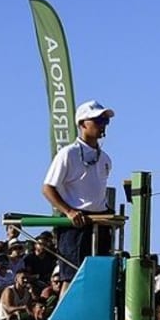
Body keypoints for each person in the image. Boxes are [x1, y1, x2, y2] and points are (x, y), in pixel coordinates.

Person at [41, 100, 116, 288]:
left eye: (105, 121)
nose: (103, 125)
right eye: (97, 121)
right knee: (71, 279)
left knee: (99, 279)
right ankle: (63, 310)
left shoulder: (105, 159)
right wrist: (69, 211)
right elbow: (48, 188)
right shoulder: (68, 153)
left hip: (99, 222)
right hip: (75, 225)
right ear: (83, 124)